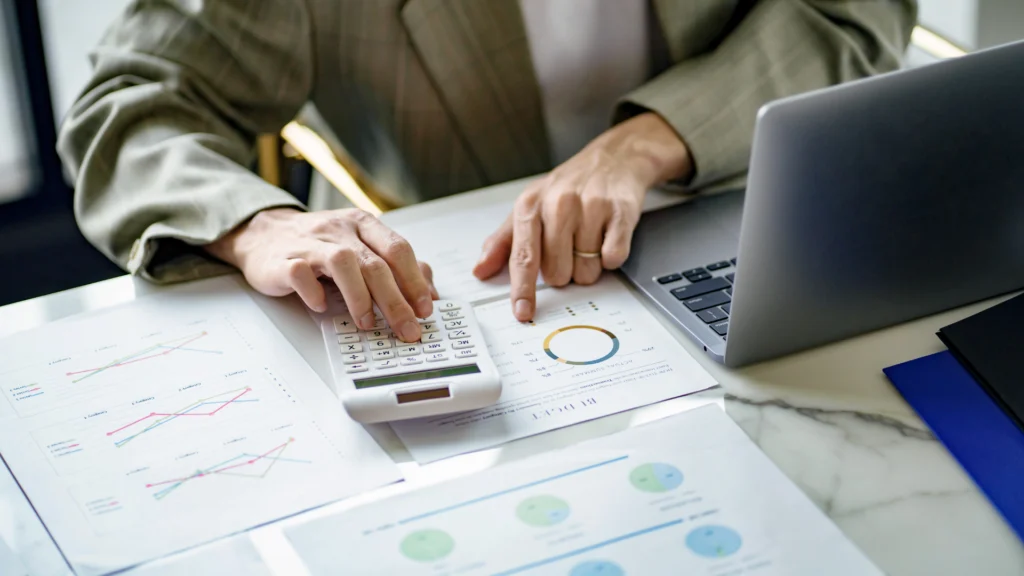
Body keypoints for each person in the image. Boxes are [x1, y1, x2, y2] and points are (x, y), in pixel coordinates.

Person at [59, 0, 916, 343]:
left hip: (768, 228)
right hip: (477, 298)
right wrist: (258, 224)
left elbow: (852, 11)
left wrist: (648, 140)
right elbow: (127, 103)